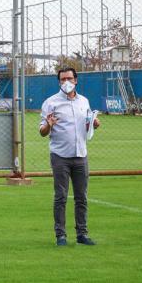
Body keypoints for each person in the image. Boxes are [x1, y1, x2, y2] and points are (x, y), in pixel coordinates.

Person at [40, 67, 100, 247]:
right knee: (61, 197)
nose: (66, 82)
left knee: (82, 197)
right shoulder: (51, 103)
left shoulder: (84, 101)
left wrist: (94, 124)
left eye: (69, 78)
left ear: (76, 80)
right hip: (60, 155)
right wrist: (48, 125)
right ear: (59, 82)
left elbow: (88, 124)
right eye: (62, 79)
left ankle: (82, 233)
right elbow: (42, 131)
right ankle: (61, 235)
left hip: (81, 154)